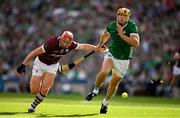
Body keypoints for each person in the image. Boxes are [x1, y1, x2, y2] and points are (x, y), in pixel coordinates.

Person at [16, 31, 105, 113]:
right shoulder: (51, 43)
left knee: (45, 89)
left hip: (53, 65)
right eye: (64, 41)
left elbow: (83, 46)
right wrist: (23, 64)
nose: (65, 44)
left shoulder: (72, 45)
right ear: (61, 39)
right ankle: (38, 82)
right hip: (40, 63)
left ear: (71, 42)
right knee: (34, 91)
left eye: (68, 42)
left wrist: (96, 48)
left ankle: (33, 107)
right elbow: (34, 52)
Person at [85, 8, 140, 114]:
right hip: (112, 54)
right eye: (120, 15)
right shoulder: (111, 26)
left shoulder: (132, 26)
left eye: (125, 16)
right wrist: (99, 45)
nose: (122, 17)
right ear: (117, 16)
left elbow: (135, 43)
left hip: (124, 60)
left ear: (128, 17)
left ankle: (105, 102)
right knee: (104, 71)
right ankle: (95, 91)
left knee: (113, 84)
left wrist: (121, 34)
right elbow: (105, 35)